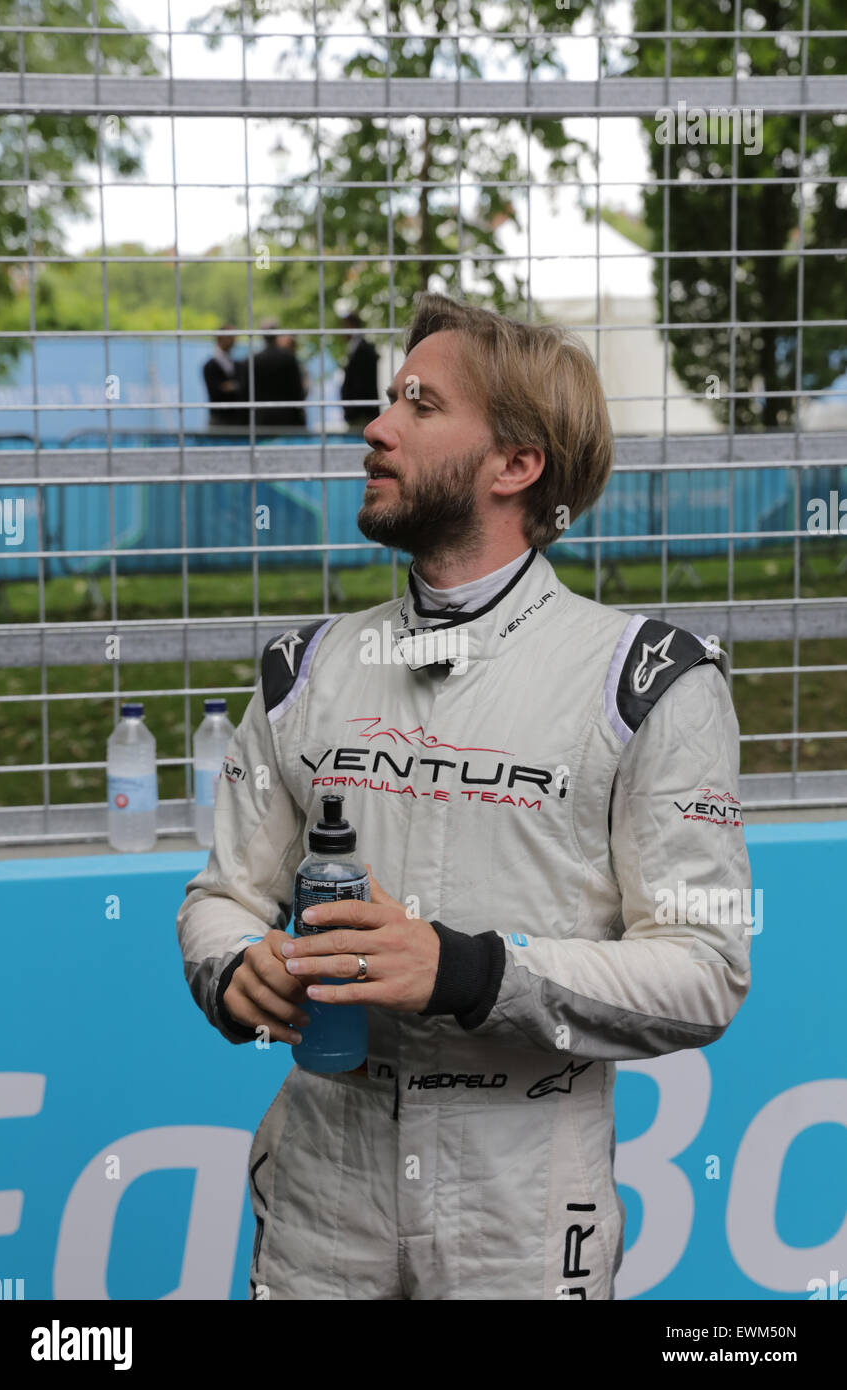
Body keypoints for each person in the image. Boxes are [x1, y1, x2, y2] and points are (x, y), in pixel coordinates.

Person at [176, 292, 752, 1301]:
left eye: (418, 404)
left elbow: (702, 971)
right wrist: (234, 967)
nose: (374, 424)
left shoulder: (648, 677)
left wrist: (472, 970)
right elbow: (220, 894)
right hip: (320, 1197)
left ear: (515, 465)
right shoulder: (303, 668)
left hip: (522, 1220)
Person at [246, 321, 307, 430]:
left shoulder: (253, 360)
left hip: (262, 417)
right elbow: (298, 390)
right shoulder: (289, 358)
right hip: (288, 417)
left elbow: (247, 391)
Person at [340, 311, 380, 428]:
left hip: (362, 413)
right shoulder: (357, 348)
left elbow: (362, 383)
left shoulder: (363, 349)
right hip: (358, 412)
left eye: (344, 326)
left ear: (351, 326)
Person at [201, 325, 247, 427]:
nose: (234, 340)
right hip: (219, 419)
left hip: (236, 420)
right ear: (219, 338)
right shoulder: (210, 365)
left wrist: (231, 386)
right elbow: (216, 391)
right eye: (230, 337)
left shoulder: (237, 364)